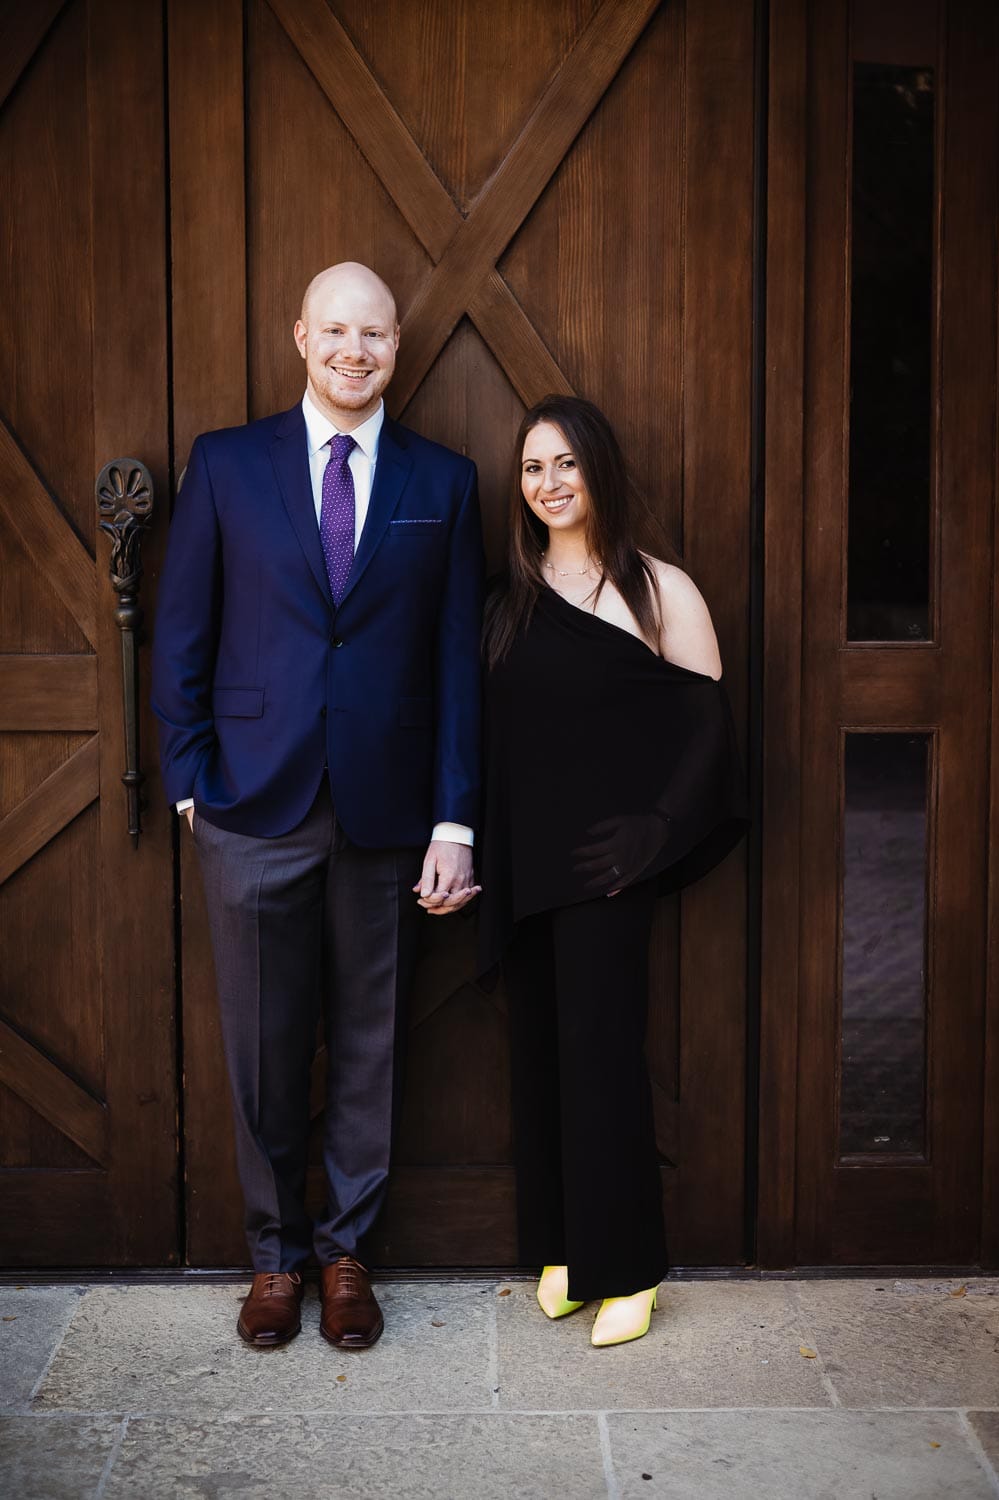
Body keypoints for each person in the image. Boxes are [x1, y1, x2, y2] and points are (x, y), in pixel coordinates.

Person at [151, 262, 483, 1350]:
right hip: (251, 804)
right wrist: (191, 780)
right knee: (260, 1044)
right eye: (335, 329)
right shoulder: (227, 464)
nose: (354, 350)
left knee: (369, 1045)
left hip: (387, 812)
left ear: (397, 346)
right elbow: (183, 632)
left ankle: (344, 1255)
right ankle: (270, 1258)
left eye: (373, 334)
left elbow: (452, 667)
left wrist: (453, 818)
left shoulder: (445, 481)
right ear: (300, 335)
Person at [479, 395, 747, 1347]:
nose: (547, 485)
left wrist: (657, 832)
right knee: (541, 1063)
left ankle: (628, 1269)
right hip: (525, 866)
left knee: (602, 1062)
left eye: (564, 466)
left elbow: (708, 730)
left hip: (607, 870)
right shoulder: (506, 597)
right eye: (530, 469)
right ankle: (563, 1250)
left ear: (598, 471)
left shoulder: (656, 589)